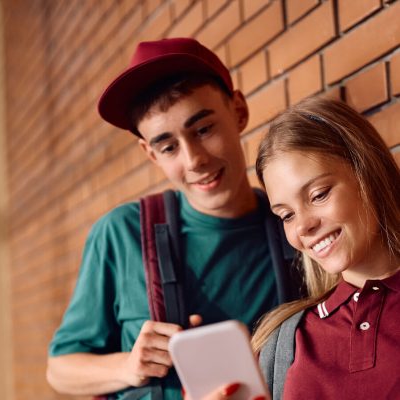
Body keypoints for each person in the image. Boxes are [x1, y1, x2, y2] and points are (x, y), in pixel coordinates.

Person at [46, 37, 303, 400]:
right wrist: (129, 365)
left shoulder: (296, 227)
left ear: (239, 111)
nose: (194, 159)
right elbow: (60, 369)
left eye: (203, 129)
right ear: (150, 154)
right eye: (168, 147)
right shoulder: (120, 233)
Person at [202, 96, 400, 400]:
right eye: (287, 215)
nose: (302, 227)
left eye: (318, 195)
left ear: (367, 173)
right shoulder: (284, 339)